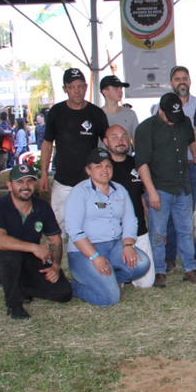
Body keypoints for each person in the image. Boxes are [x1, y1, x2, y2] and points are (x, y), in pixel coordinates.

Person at [0, 163, 73, 320]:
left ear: (35, 184)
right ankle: (14, 305)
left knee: (64, 293)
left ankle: (22, 287)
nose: (25, 186)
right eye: (19, 182)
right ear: (9, 185)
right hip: (0, 260)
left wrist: (55, 266)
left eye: (29, 181)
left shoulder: (42, 207)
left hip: (30, 260)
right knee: (11, 257)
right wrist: (34, 247)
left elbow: (55, 239)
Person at [135, 92, 196, 287]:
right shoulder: (145, 129)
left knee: (186, 229)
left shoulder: (184, 122)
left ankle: (190, 268)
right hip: (159, 188)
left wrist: (195, 155)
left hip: (182, 186)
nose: (174, 121)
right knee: (158, 232)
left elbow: (190, 139)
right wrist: (151, 191)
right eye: (170, 117)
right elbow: (142, 163)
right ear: (160, 110)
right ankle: (159, 271)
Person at [65, 148, 150, 306]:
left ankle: (110, 280)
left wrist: (128, 245)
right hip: (85, 251)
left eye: (108, 165)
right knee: (108, 298)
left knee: (142, 263)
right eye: (98, 166)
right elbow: (74, 230)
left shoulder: (120, 190)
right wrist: (95, 257)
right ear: (88, 170)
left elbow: (130, 220)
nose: (104, 170)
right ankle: (72, 287)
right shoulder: (79, 192)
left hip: (114, 246)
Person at [38, 68, 110, 235]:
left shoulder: (96, 113)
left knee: (92, 227)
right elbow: (47, 143)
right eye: (71, 87)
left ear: (86, 87)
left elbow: (108, 143)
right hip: (63, 181)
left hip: (91, 182)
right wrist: (43, 174)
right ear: (65, 89)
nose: (76, 91)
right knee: (56, 229)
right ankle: (57, 254)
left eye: (80, 86)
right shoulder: (56, 112)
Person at [165, 66, 196, 272]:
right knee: (171, 213)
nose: (181, 81)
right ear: (171, 83)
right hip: (170, 169)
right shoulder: (161, 107)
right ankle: (169, 257)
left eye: (184, 78)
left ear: (190, 81)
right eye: (177, 79)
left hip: (195, 167)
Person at [103, 124, 154, 288]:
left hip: (138, 230)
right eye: (114, 138)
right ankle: (117, 274)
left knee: (146, 283)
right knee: (111, 285)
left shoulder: (138, 164)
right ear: (105, 142)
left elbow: (143, 195)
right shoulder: (103, 168)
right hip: (113, 235)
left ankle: (125, 273)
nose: (120, 141)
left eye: (124, 136)